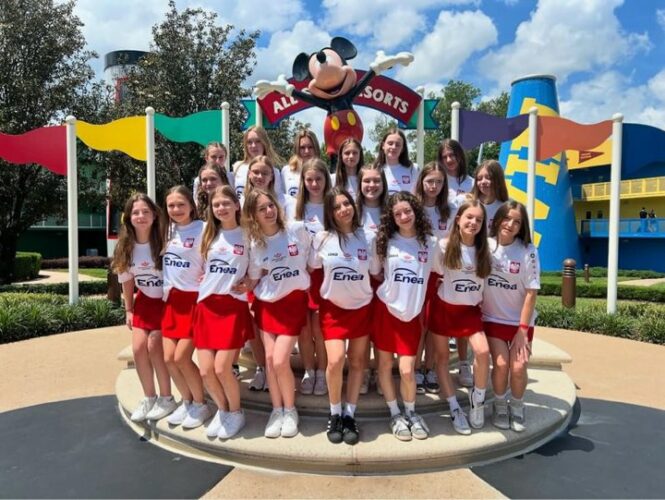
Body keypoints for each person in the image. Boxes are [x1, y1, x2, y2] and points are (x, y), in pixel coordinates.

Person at [243, 189, 311, 438]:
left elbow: (312, 259)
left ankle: (290, 410)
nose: (269, 211)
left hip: (293, 303)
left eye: (271, 205)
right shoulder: (255, 243)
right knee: (270, 360)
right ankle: (277, 410)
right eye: (262, 209)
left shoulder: (297, 230)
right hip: (267, 304)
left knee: (281, 360)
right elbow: (253, 278)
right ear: (253, 215)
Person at [371, 192, 438, 441]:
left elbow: (438, 272)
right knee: (384, 366)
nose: (403, 216)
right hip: (386, 312)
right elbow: (376, 272)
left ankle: (411, 412)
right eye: (397, 213)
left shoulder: (431, 243)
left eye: (407, 211)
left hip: (411, 317)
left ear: (416, 211)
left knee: (408, 370)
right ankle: (395, 414)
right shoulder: (384, 242)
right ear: (392, 217)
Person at [309, 187, 373, 444]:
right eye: (336, 207)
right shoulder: (322, 238)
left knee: (357, 362)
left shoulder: (367, 236)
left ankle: (349, 414)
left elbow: (376, 270)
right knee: (335, 361)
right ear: (330, 212)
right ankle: (334, 412)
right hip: (333, 310)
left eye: (346, 204)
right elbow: (313, 268)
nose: (343, 209)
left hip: (362, 308)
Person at [428, 197, 492, 434]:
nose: (473, 223)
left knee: (482, 352)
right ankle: (454, 407)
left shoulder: (486, 248)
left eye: (479, 220)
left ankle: (478, 399)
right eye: (469, 217)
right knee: (442, 359)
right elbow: (434, 275)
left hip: (470, 312)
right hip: (444, 309)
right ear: (458, 219)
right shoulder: (444, 246)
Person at [194, 186, 253, 439]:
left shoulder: (249, 234)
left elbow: (260, 265)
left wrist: (250, 282)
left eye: (226, 203)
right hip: (206, 306)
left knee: (221, 368)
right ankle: (223, 410)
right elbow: (197, 267)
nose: (221, 208)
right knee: (206, 370)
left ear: (237, 205)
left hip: (232, 306)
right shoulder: (207, 234)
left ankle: (236, 412)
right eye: (216, 205)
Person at [113, 193, 177, 422]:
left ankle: (166, 398)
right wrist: (128, 310)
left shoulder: (166, 242)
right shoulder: (125, 246)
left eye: (145, 211)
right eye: (135, 212)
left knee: (154, 347)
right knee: (139, 349)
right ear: (128, 217)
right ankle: (149, 397)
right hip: (144, 303)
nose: (141, 216)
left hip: (166, 303)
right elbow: (127, 280)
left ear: (154, 215)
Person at [484, 201, 540, 432]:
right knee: (501, 364)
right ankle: (499, 404)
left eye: (517, 222)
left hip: (520, 323)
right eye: (506, 218)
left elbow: (531, 293)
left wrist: (522, 330)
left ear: (522, 226)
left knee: (518, 367)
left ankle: (517, 404)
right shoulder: (485, 246)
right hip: (492, 318)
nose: (510, 224)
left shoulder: (528, 251)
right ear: (497, 219)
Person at [161, 186, 211, 428]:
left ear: (191, 205)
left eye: (181, 204)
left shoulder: (204, 228)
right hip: (171, 301)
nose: (176, 209)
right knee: (169, 359)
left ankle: (201, 404)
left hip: (194, 301)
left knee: (182, 357)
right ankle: (187, 401)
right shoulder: (165, 231)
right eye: (171, 205)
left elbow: (216, 258)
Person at [285, 158, 332, 396]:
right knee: (303, 329)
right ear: (302, 181)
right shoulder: (294, 207)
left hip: (325, 274)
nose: (314, 184)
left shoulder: (333, 205)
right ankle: (309, 371)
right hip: (300, 273)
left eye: (318, 179)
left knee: (320, 328)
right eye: (309, 179)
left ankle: (322, 372)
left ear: (326, 180)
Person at [355, 163, 389, 394]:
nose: (372, 185)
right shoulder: (353, 210)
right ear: (360, 184)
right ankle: (365, 371)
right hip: (360, 279)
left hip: (385, 278)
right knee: (364, 329)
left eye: (376, 180)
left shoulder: (391, 210)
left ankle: (380, 370)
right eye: (367, 181)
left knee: (381, 328)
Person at [233, 127, 283, 199]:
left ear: (264, 143)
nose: (253, 145)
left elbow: (278, 198)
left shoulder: (275, 172)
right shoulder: (237, 167)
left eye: (258, 141)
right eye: (249, 142)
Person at [374, 128, 419, 195]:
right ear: (383, 145)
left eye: (398, 145)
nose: (394, 147)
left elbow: (418, 195)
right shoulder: (375, 169)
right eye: (390, 143)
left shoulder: (413, 168)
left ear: (403, 148)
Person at [282, 129, 321, 199]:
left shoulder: (323, 172)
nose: (307, 151)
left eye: (310, 147)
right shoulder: (286, 171)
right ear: (297, 149)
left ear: (316, 148)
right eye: (302, 147)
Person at [471, 159, 509, 230]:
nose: (483, 182)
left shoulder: (506, 208)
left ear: (499, 179)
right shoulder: (464, 201)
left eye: (488, 178)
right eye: (479, 179)